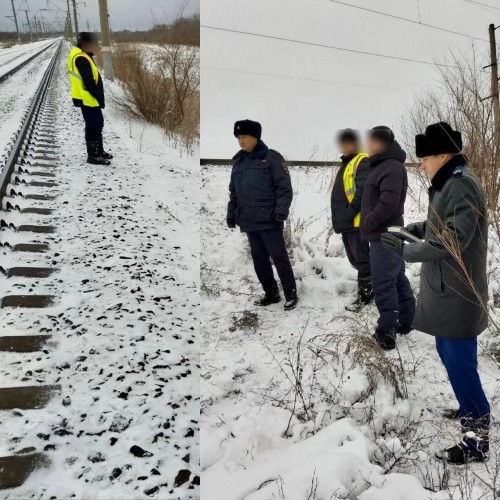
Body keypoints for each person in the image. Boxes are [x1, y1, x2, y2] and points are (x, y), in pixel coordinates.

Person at [381, 122, 489, 465]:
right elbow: (440, 225)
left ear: (443, 155)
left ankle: (477, 440)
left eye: (425, 159)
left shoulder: (462, 186)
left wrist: (407, 252)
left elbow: (455, 238)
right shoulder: (447, 185)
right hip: (446, 289)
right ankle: (468, 409)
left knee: (460, 363)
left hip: (459, 292)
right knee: (448, 352)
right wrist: (409, 231)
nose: (421, 166)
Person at [227, 119, 298, 311]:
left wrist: (280, 213)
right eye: (238, 137)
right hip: (249, 221)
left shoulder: (272, 158)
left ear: (255, 137)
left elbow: (284, 189)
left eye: (244, 137)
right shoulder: (239, 162)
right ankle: (271, 293)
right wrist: (232, 214)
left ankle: (291, 293)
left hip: (269, 220)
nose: (241, 141)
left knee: (279, 257)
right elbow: (234, 192)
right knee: (259, 260)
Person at [360, 126, 415, 350]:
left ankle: (386, 332)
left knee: (383, 281)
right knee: (397, 276)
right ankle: (407, 321)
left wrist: (369, 222)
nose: (369, 145)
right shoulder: (383, 164)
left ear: (383, 143)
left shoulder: (390, 166)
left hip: (384, 233)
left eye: (373, 142)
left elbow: (389, 202)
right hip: (387, 232)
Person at [331, 128, 373, 312]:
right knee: (356, 260)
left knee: (362, 260)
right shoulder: (347, 162)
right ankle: (372, 287)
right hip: (347, 223)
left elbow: (363, 192)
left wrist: (349, 213)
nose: (343, 145)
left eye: (346, 142)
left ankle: (366, 294)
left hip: (355, 223)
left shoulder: (361, 160)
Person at [67, 32, 112, 166]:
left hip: (87, 97)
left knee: (98, 124)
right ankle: (93, 156)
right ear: (85, 43)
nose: (96, 46)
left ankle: (99, 151)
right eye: (94, 43)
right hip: (88, 97)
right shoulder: (81, 58)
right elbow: (89, 82)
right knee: (93, 126)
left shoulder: (80, 55)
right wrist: (98, 95)